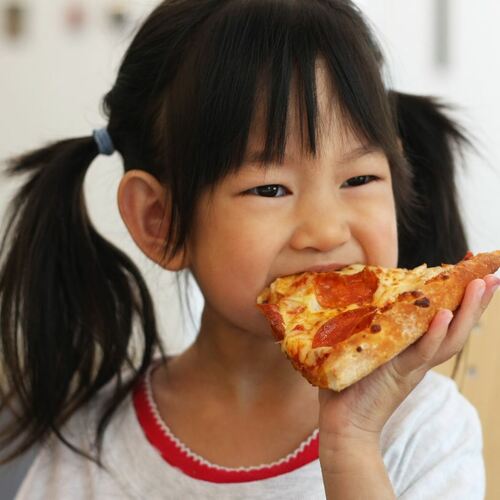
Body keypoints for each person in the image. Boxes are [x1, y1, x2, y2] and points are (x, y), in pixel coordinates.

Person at [0, 0, 497, 498]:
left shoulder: (424, 428)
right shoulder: (86, 444)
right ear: (160, 220)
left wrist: (353, 441)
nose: (325, 231)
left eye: (360, 177)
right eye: (270, 189)